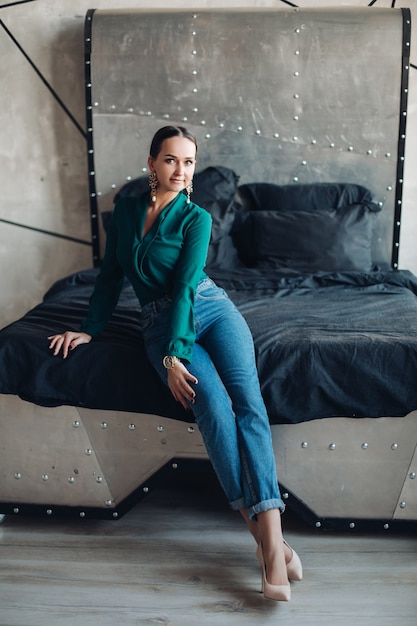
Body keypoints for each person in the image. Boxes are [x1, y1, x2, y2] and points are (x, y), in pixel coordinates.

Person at [48, 125, 302, 601]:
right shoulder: (123, 213)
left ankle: (270, 547)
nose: (181, 171)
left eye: (188, 162)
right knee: (211, 404)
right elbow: (109, 277)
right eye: (171, 160)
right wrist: (91, 328)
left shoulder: (196, 218)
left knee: (248, 404)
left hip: (210, 309)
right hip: (156, 323)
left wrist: (174, 356)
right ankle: (272, 545)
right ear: (151, 163)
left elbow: (186, 288)